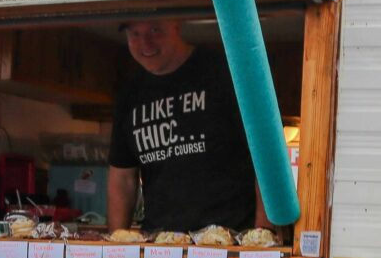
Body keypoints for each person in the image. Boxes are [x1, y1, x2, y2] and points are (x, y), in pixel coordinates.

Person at [107, 19, 267, 233]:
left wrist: (264, 232)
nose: (145, 44)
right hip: (160, 244)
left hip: (228, 240)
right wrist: (116, 244)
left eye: (155, 30)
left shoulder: (224, 73)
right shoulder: (130, 95)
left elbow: (265, 155)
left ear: (176, 25)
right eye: (134, 34)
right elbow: (122, 177)